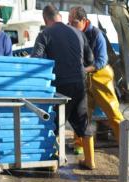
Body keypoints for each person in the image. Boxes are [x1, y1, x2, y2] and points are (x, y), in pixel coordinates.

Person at [31, 5, 96, 169]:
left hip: (60, 86)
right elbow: (90, 60)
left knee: (55, 123)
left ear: (46, 20)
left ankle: (52, 162)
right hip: (80, 84)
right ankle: (90, 161)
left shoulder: (44, 34)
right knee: (83, 122)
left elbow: (36, 60)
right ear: (59, 17)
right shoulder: (79, 33)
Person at [68, 6, 123, 154]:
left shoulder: (97, 34)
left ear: (84, 21)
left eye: (73, 23)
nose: (70, 26)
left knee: (113, 113)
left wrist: (83, 70)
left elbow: (101, 61)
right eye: (69, 22)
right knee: (82, 114)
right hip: (85, 79)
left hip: (101, 77)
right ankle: (79, 144)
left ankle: (125, 144)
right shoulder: (73, 33)